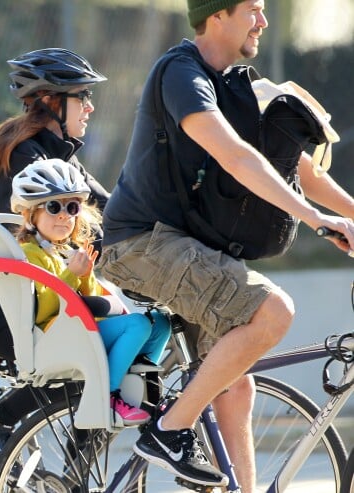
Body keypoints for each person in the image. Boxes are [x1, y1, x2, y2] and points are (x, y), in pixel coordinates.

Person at [98, 1, 354, 491]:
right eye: (253, 9)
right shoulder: (181, 74)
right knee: (272, 312)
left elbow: (301, 169)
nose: (263, 21)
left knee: (233, 380)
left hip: (183, 244)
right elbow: (236, 157)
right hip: (143, 242)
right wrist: (317, 221)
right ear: (217, 15)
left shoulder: (238, 84)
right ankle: (168, 431)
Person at [0, 48, 110, 456]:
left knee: (93, 363)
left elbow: (114, 207)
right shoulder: (28, 157)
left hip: (11, 297)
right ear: (53, 102)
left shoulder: (49, 150)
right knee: (84, 365)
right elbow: (95, 218)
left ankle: (76, 474)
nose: (90, 107)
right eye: (82, 96)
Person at [10, 159, 171, 428]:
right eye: (53, 207)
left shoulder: (64, 251)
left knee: (160, 323)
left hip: (81, 328)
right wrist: (72, 274)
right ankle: (107, 396)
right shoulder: (29, 254)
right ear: (30, 215)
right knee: (138, 325)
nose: (63, 215)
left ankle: (143, 388)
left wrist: (84, 277)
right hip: (58, 334)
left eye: (71, 207)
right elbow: (44, 307)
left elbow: (91, 299)